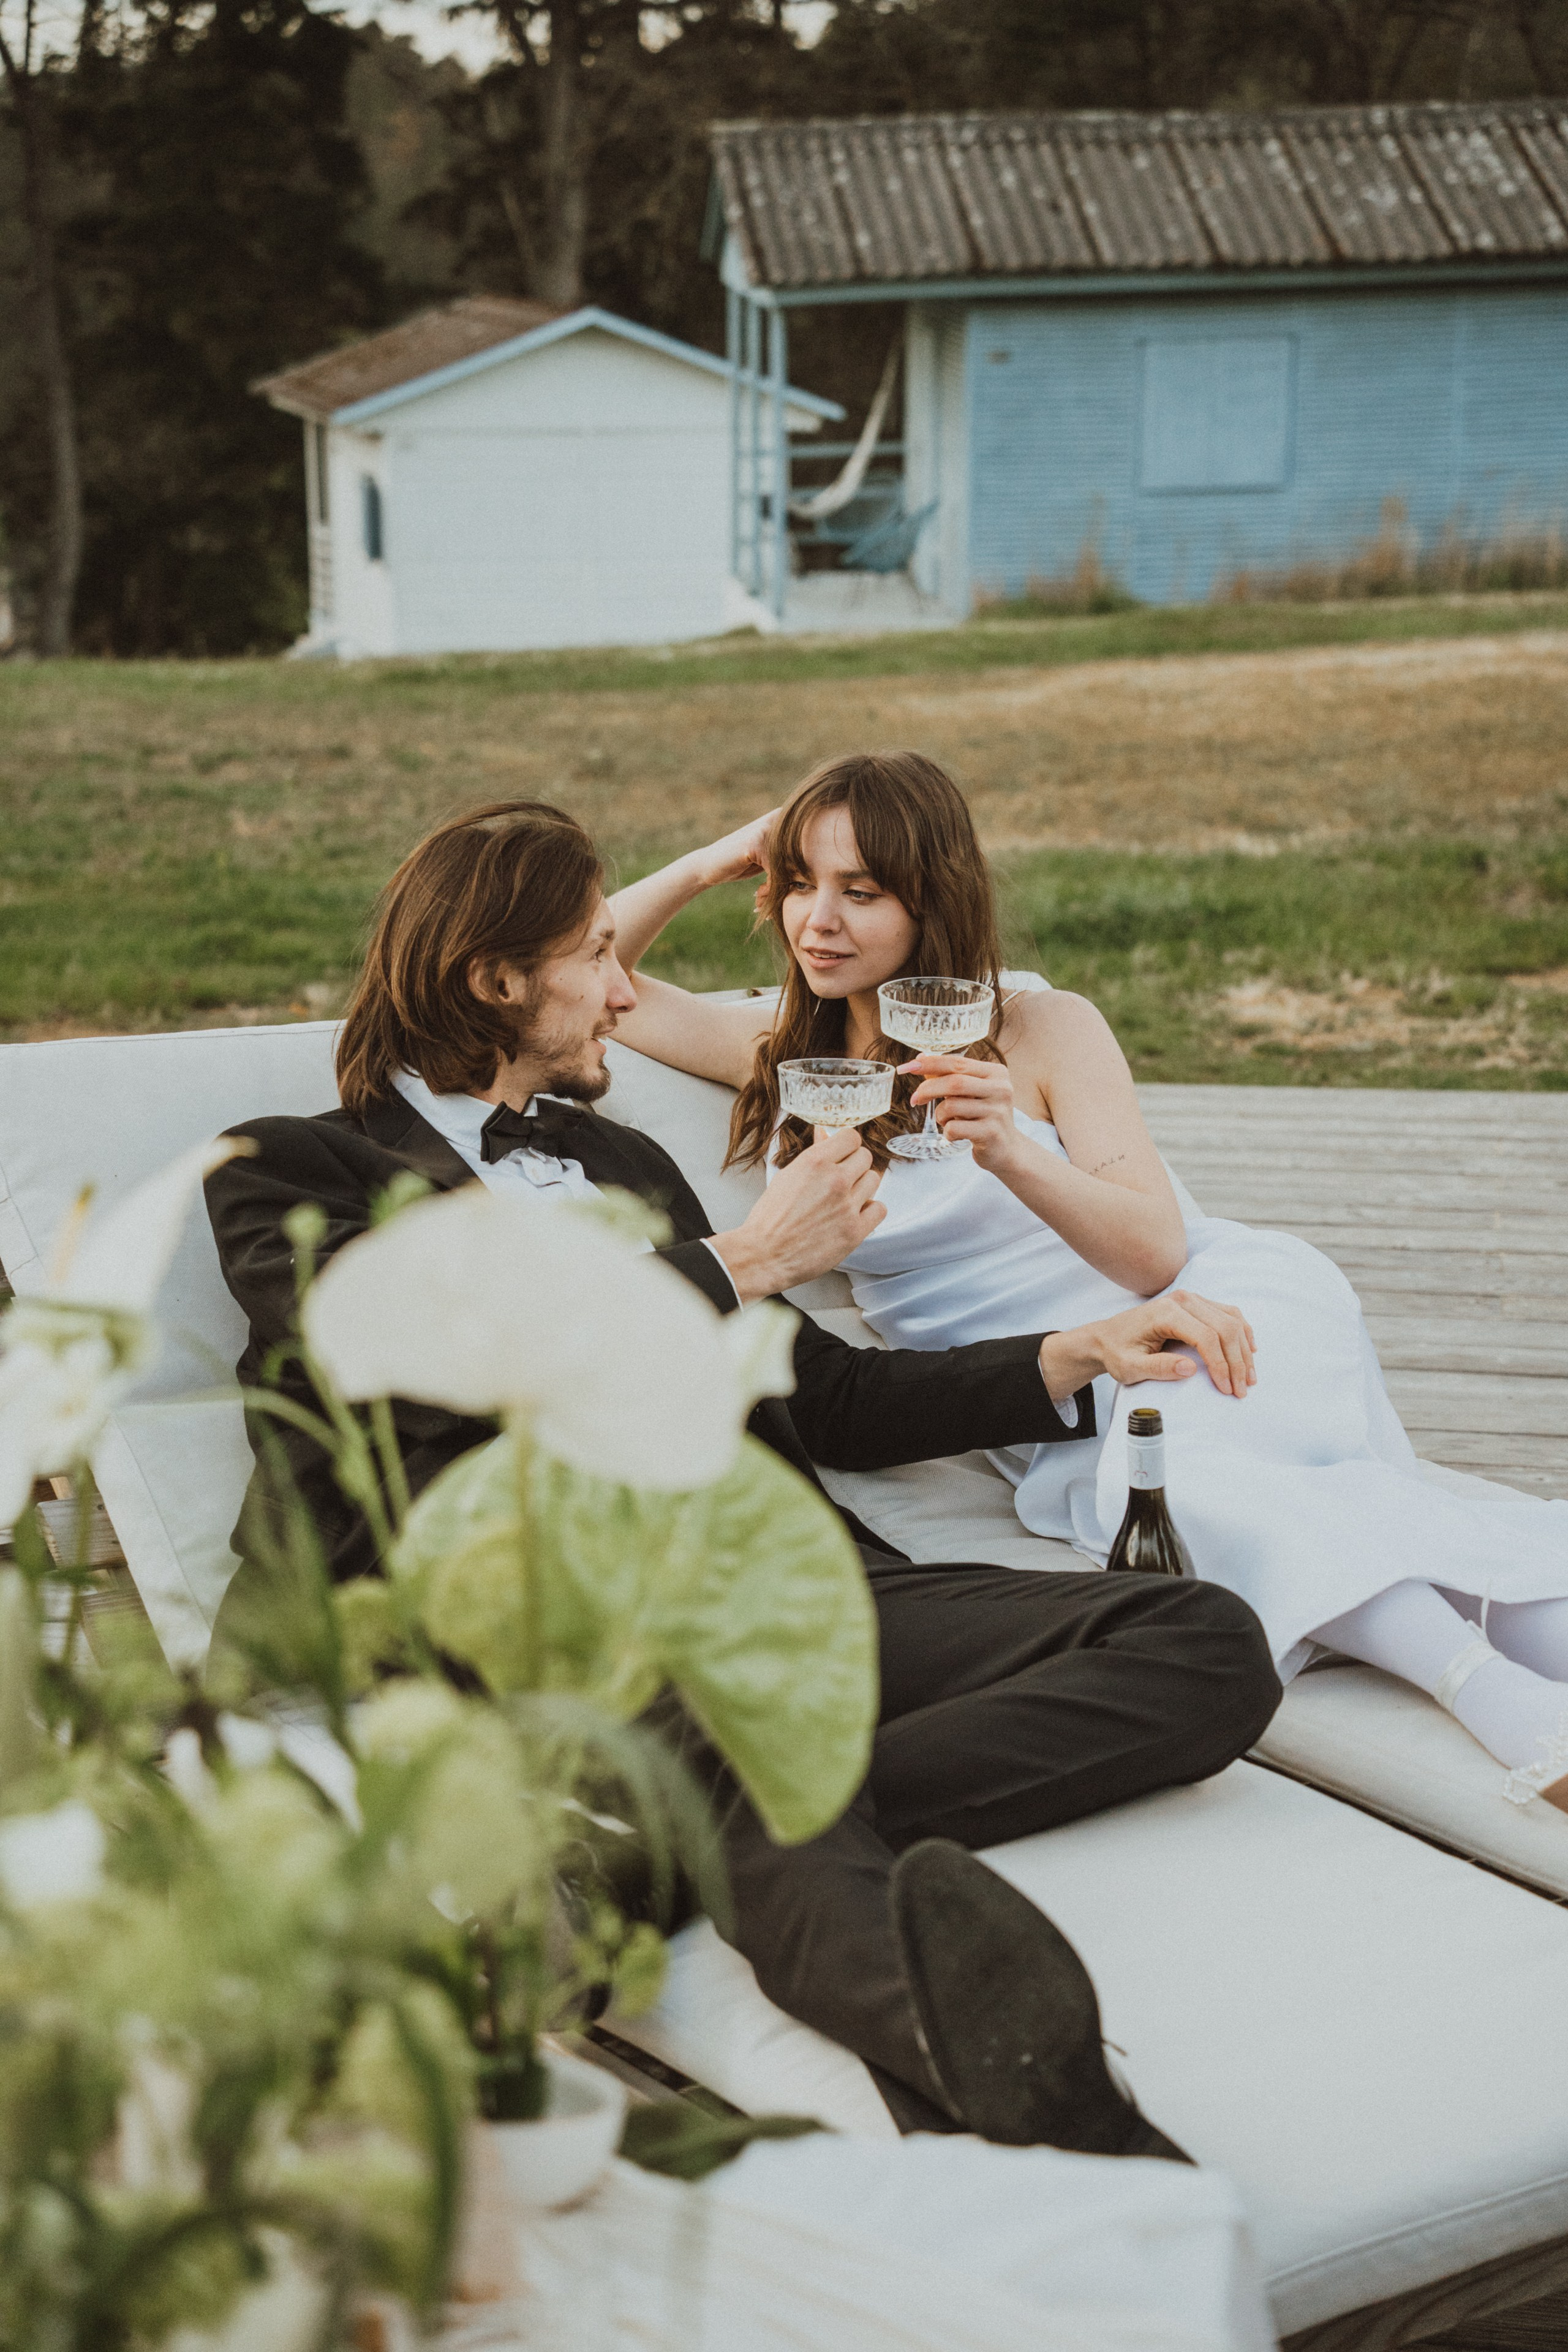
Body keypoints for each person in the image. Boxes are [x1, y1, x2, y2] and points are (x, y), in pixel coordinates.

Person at [205, 797, 1281, 2153]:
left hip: (784, 1590)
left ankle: (654, 1848)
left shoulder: (623, 1161)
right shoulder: (291, 1166)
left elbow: (821, 1396)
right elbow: (407, 1365)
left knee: (1201, 1643)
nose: (622, 990)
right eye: (596, 957)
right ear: (495, 980)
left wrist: (1074, 1350)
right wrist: (741, 1260)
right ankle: (1076, 2130)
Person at [611, 751, 1568, 1814]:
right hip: (1058, 1391)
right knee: (1199, 1493)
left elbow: (1155, 1251)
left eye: (862, 892)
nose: (817, 922)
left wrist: (1013, 1152)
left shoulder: (1042, 1027)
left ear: (933, 900)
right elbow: (592, 978)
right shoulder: (788, 1057)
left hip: (1210, 1301)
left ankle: (1498, 1703)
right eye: (800, 884)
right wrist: (719, 857)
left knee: (1187, 1483)